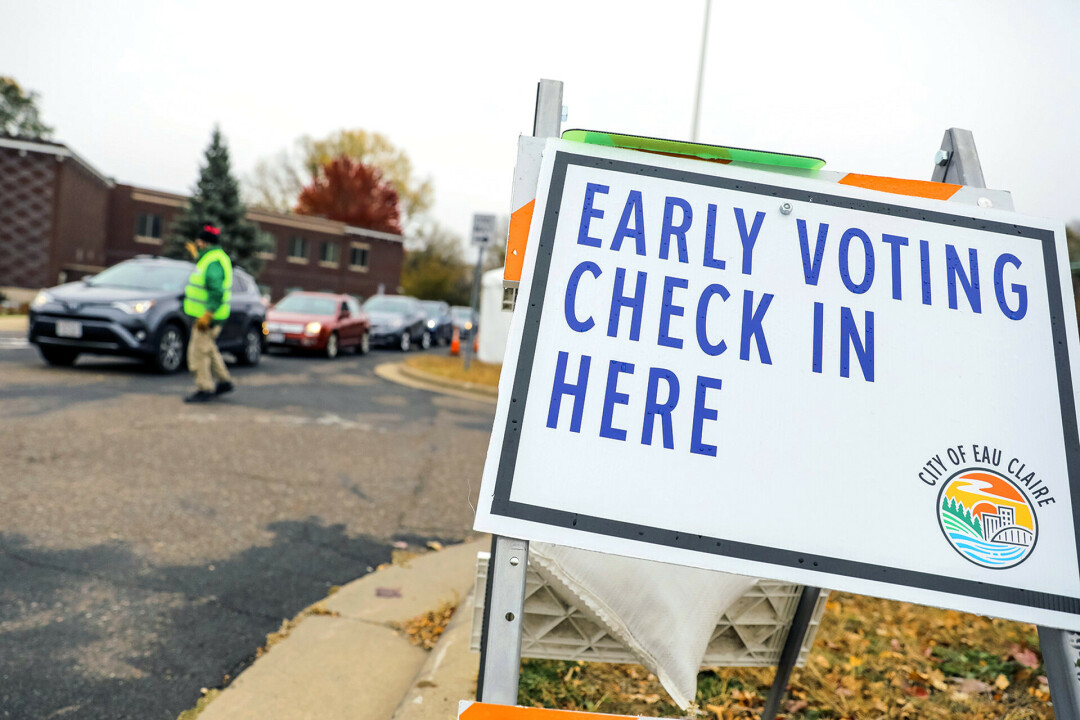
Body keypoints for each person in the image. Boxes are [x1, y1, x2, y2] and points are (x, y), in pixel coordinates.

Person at [183, 225, 235, 403]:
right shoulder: (212, 258)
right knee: (209, 349)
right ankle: (224, 381)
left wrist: (207, 314)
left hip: (208, 318)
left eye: (199, 241)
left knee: (198, 353)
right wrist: (196, 256)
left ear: (205, 242)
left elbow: (216, 291)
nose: (196, 243)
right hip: (211, 317)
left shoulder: (213, 261)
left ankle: (204, 388)